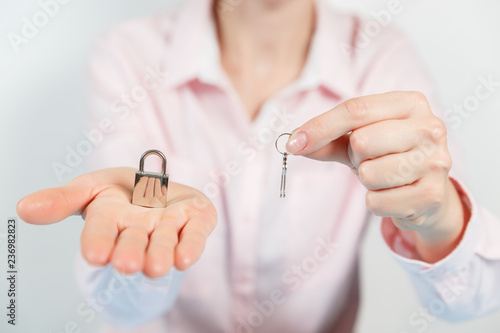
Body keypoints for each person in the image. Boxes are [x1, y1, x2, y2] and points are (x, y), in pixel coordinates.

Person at [16, 0, 500, 332]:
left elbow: (472, 299)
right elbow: (123, 302)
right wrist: (139, 255)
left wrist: (437, 219)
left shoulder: (380, 58)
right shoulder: (130, 56)